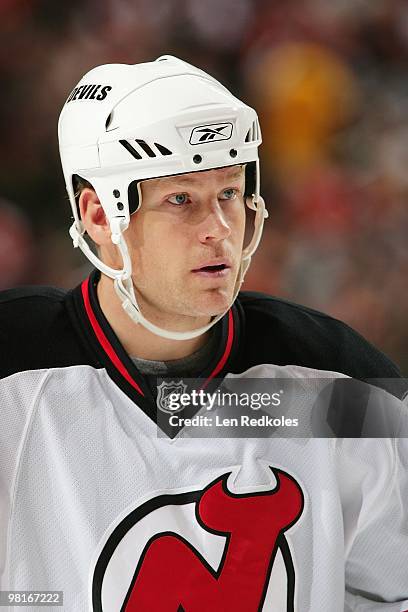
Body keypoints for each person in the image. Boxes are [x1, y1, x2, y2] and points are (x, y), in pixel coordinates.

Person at [0, 55, 407, 611]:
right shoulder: (12, 371)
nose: (218, 229)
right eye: (181, 199)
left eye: (229, 194)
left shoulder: (339, 381)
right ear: (99, 215)